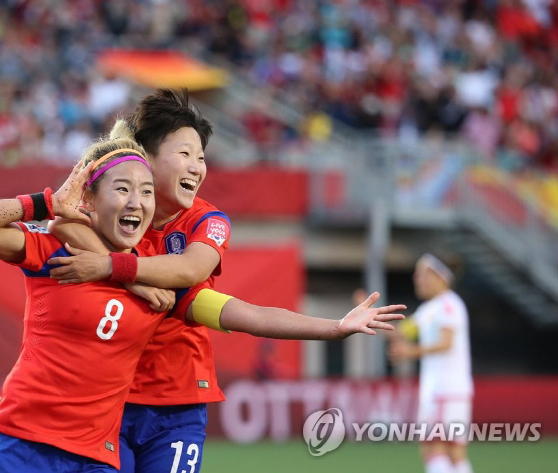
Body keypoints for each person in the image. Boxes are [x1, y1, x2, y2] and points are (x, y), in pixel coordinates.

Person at [48, 89, 406, 473]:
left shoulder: (207, 221)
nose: (196, 167)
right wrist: (128, 275)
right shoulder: (113, 210)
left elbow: (208, 285)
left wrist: (334, 328)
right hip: (105, 400)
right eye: (184, 154)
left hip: (176, 405)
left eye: (201, 158)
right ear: (145, 160)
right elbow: (61, 222)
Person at [0, 121, 172, 472]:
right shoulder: (57, 248)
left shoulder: (157, 267)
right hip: (20, 444)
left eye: (146, 191)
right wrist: (46, 203)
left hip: (96, 456)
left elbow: (222, 304)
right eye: (122, 189)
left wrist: (125, 273)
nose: (136, 202)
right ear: (90, 199)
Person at [388, 254, 473, 473]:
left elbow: (446, 343)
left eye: (422, 274)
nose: (417, 279)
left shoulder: (448, 305)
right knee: (447, 453)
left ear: (440, 277)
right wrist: (369, 318)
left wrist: (410, 351)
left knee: (438, 450)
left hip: (446, 390)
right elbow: (400, 333)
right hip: (442, 391)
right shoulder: (430, 310)